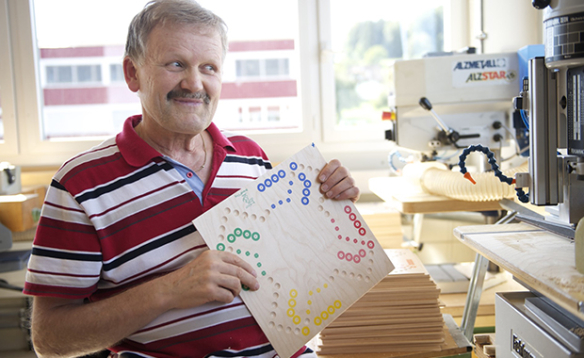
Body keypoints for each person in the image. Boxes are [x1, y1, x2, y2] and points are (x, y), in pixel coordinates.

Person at [23, 1, 360, 357]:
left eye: (209, 67)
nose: (194, 83)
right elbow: (50, 340)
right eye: (175, 64)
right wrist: (168, 290)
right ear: (132, 73)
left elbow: (297, 274)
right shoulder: (80, 184)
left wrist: (330, 209)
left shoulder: (252, 159)